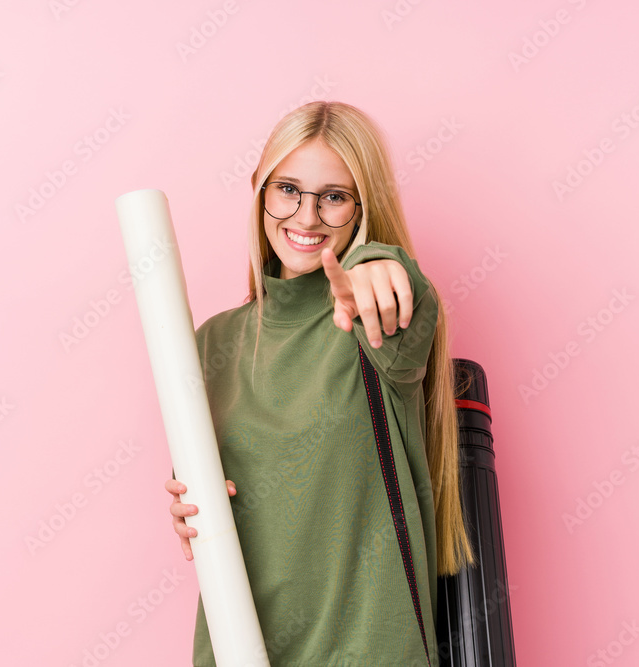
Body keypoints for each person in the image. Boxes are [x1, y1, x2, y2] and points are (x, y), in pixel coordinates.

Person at [164, 100, 475, 665]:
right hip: (238, 650)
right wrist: (193, 511)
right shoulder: (210, 344)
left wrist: (383, 265)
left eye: (333, 197)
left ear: (362, 208)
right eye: (288, 189)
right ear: (260, 190)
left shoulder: (374, 318)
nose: (306, 218)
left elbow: (403, 291)